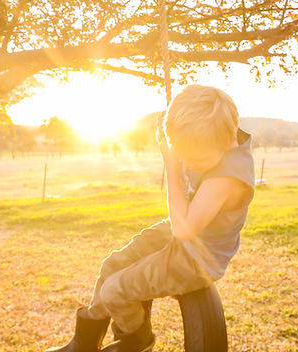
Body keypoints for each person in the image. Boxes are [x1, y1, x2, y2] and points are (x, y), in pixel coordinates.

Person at [45, 85, 255, 352]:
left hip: (197, 258)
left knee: (114, 291)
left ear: (226, 142)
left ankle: (137, 338)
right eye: (184, 157)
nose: (188, 165)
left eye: (196, 160)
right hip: (183, 235)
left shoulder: (227, 178)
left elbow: (184, 229)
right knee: (112, 265)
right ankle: (84, 343)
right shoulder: (214, 136)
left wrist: (170, 164)